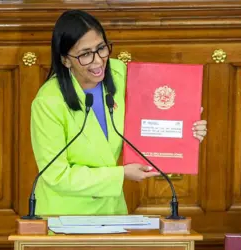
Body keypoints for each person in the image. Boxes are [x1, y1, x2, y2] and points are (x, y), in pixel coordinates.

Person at [30, 10, 207, 216]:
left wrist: (185, 130)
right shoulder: (48, 102)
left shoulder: (118, 73)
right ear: (65, 60)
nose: (98, 61)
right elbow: (56, 175)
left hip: (112, 212)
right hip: (64, 216)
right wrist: (120, 175)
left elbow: (150, 122)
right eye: (85, 54)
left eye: (101, 48)